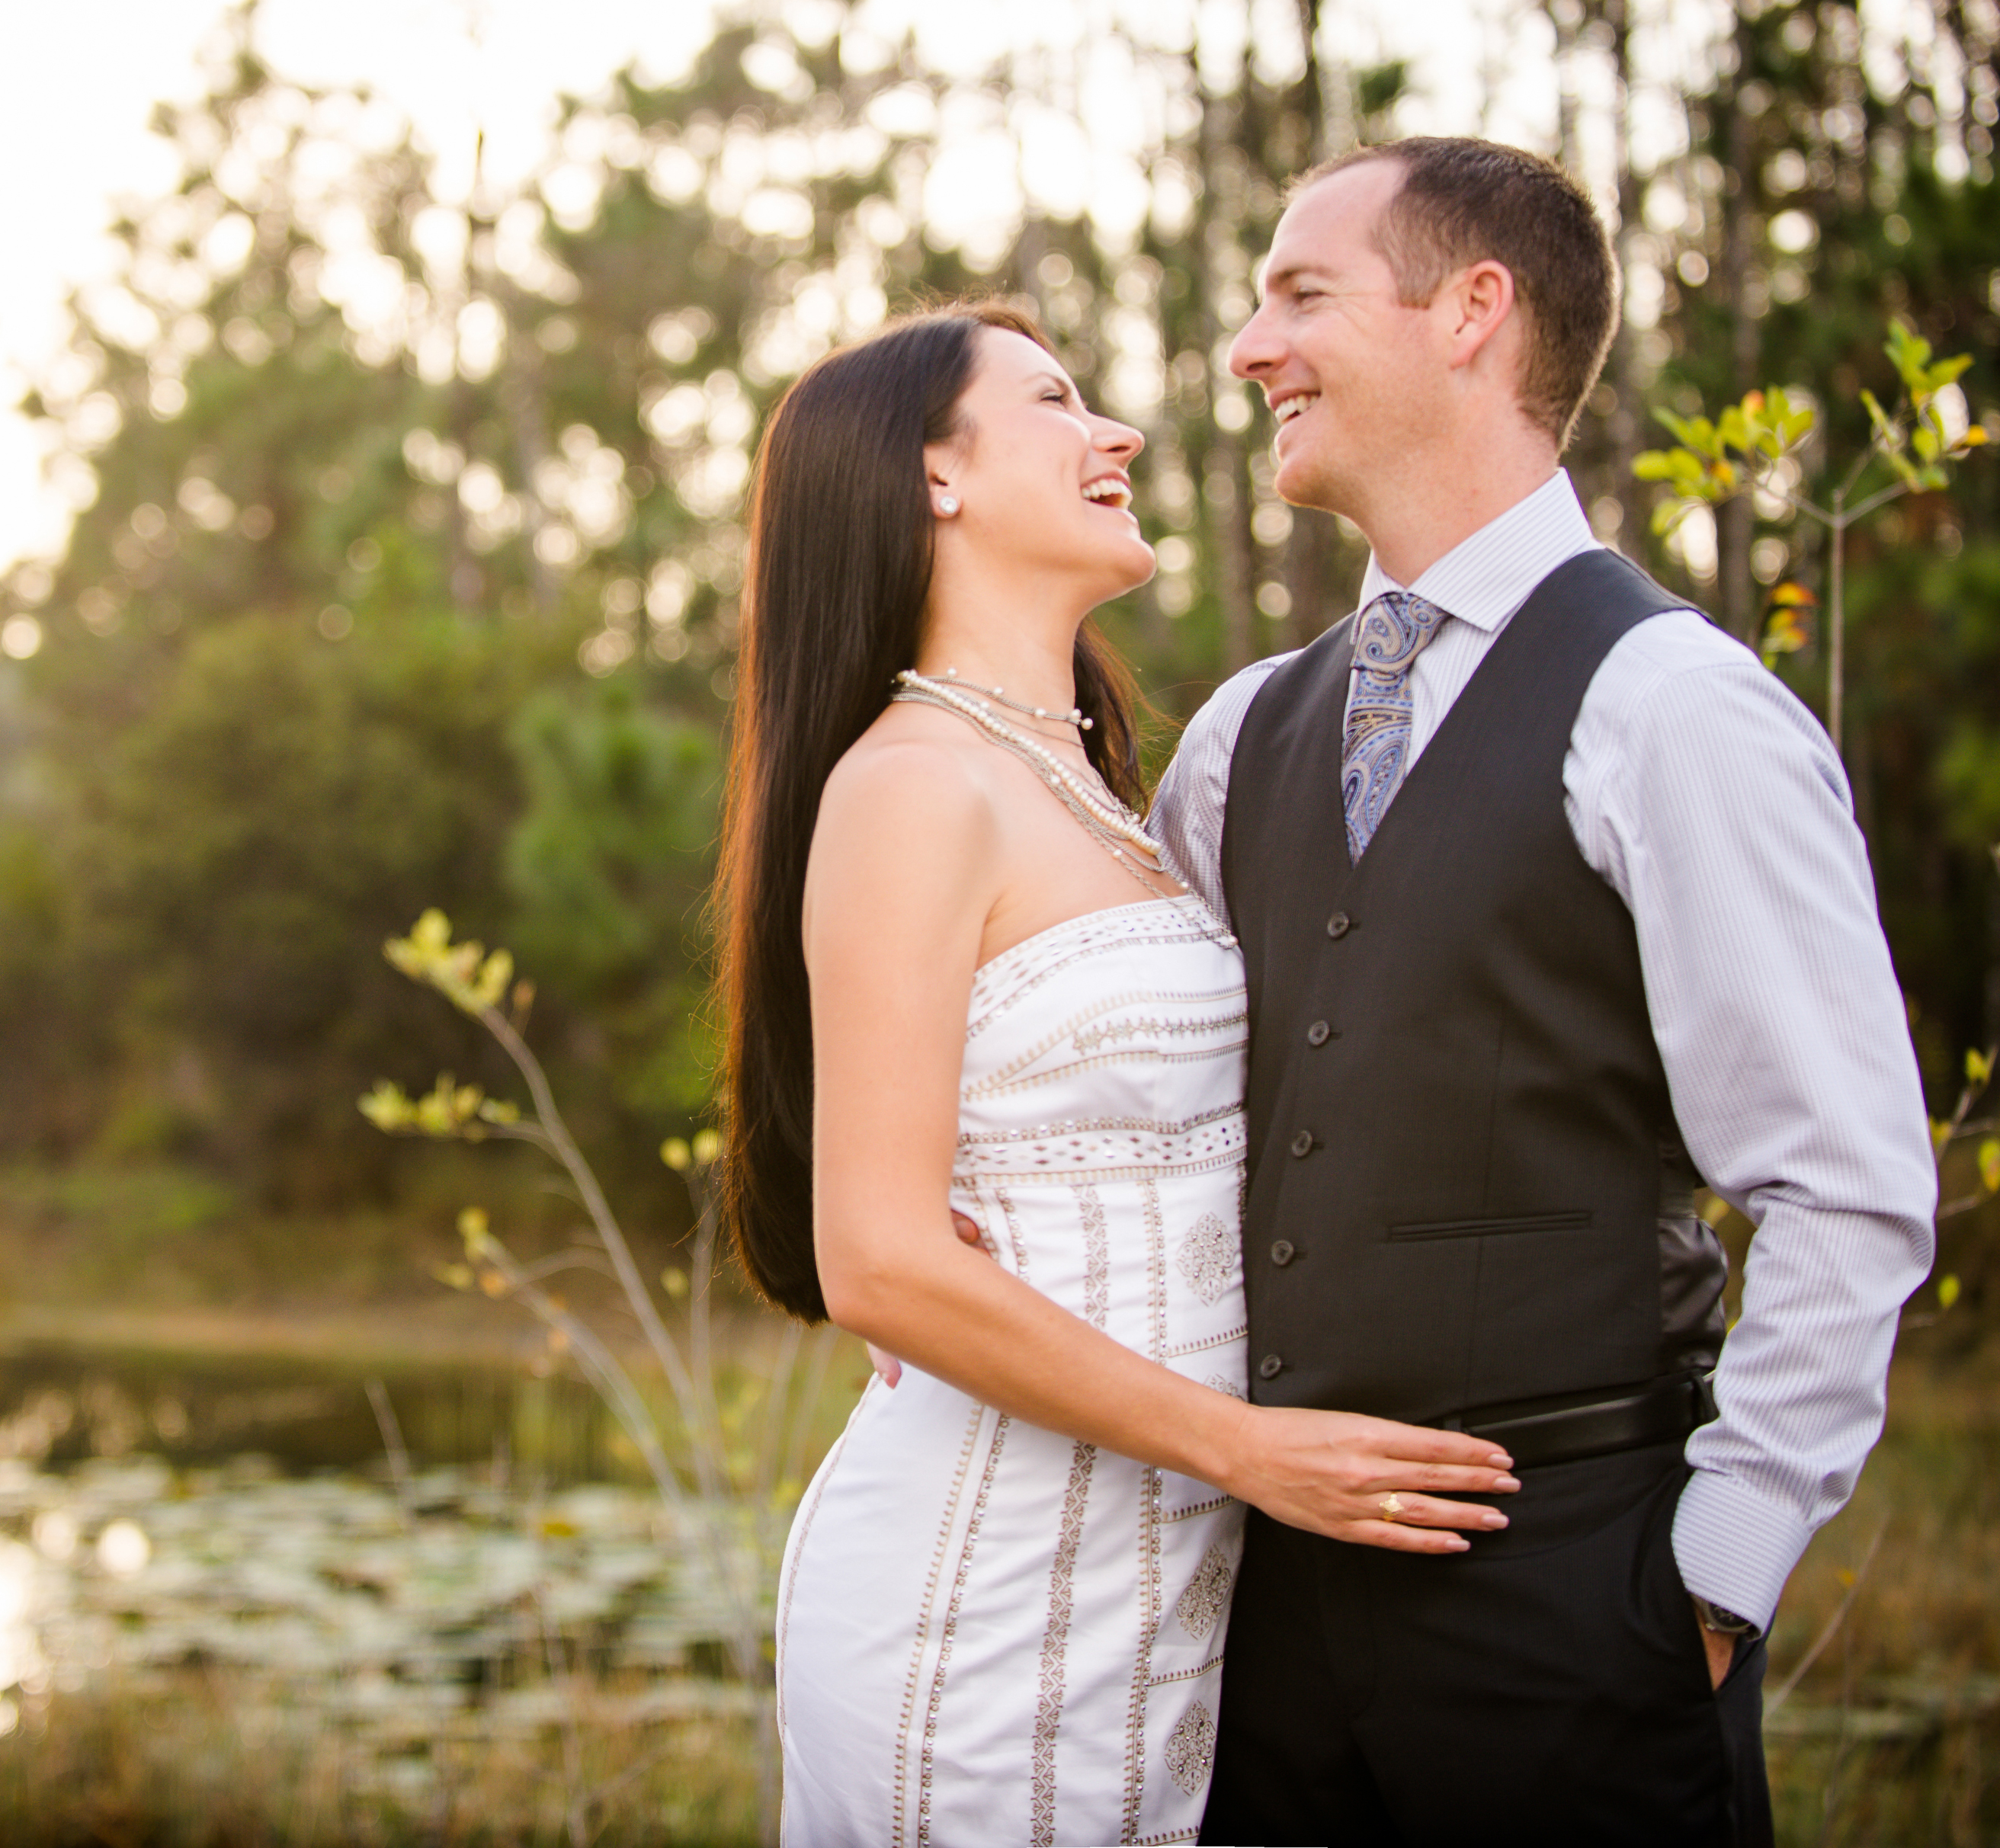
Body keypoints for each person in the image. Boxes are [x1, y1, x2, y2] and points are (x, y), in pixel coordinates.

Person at [1162, 136, 1938, 1846]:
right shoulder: (1236, 740)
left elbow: (1844, 1181)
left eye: (1299, 292)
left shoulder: (1674, 709)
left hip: (1576, 1613)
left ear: (1470, 312)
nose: (1246, 346)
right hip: (1263, 1628)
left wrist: (1708, 1583)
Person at [712, 299, 1521, 1848]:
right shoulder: (907, 785)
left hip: (1156, 1596)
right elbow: (873, 1257)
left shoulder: (1102, 795)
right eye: (1056, 400)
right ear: (932, 475)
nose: (1119, 435)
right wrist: (1251, 1448)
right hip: (980, 1589)